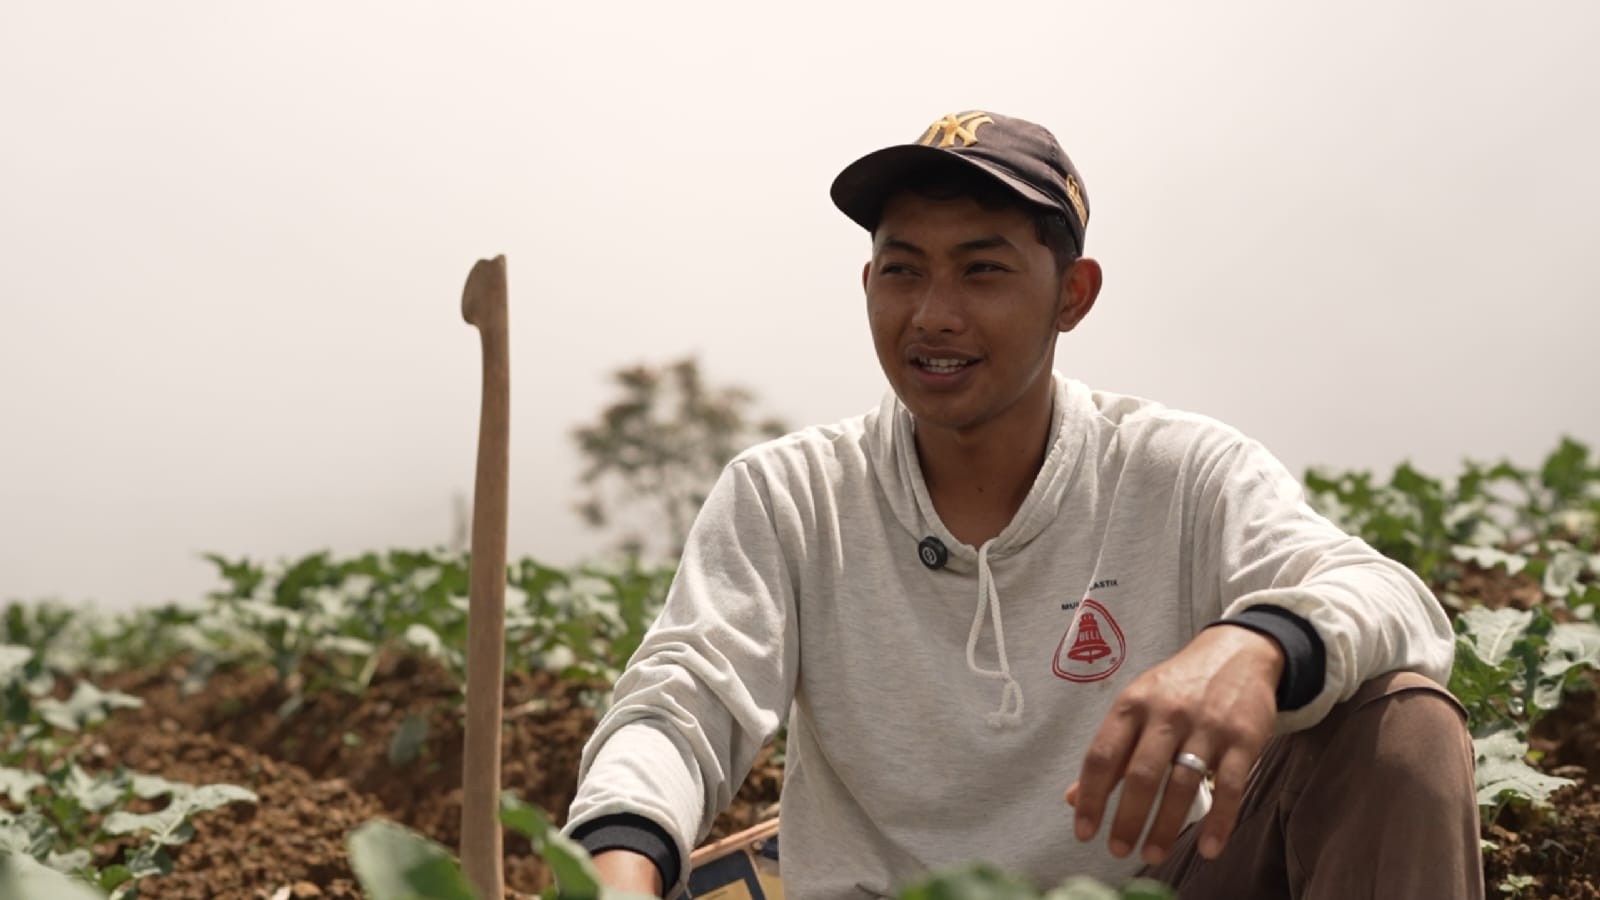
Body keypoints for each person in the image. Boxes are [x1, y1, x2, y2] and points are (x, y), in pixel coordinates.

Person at [561, 110, 1484, 899]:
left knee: (1401, 725)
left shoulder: (1176, 470)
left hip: (1148, 885)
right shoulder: (792, 494)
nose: (934, 314)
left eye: (983, 270)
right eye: (903, 269)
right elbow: (681, 701)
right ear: (868, 283)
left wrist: (1255, 644)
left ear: (1071, 297)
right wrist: (621, 865)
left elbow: (1390, 598)